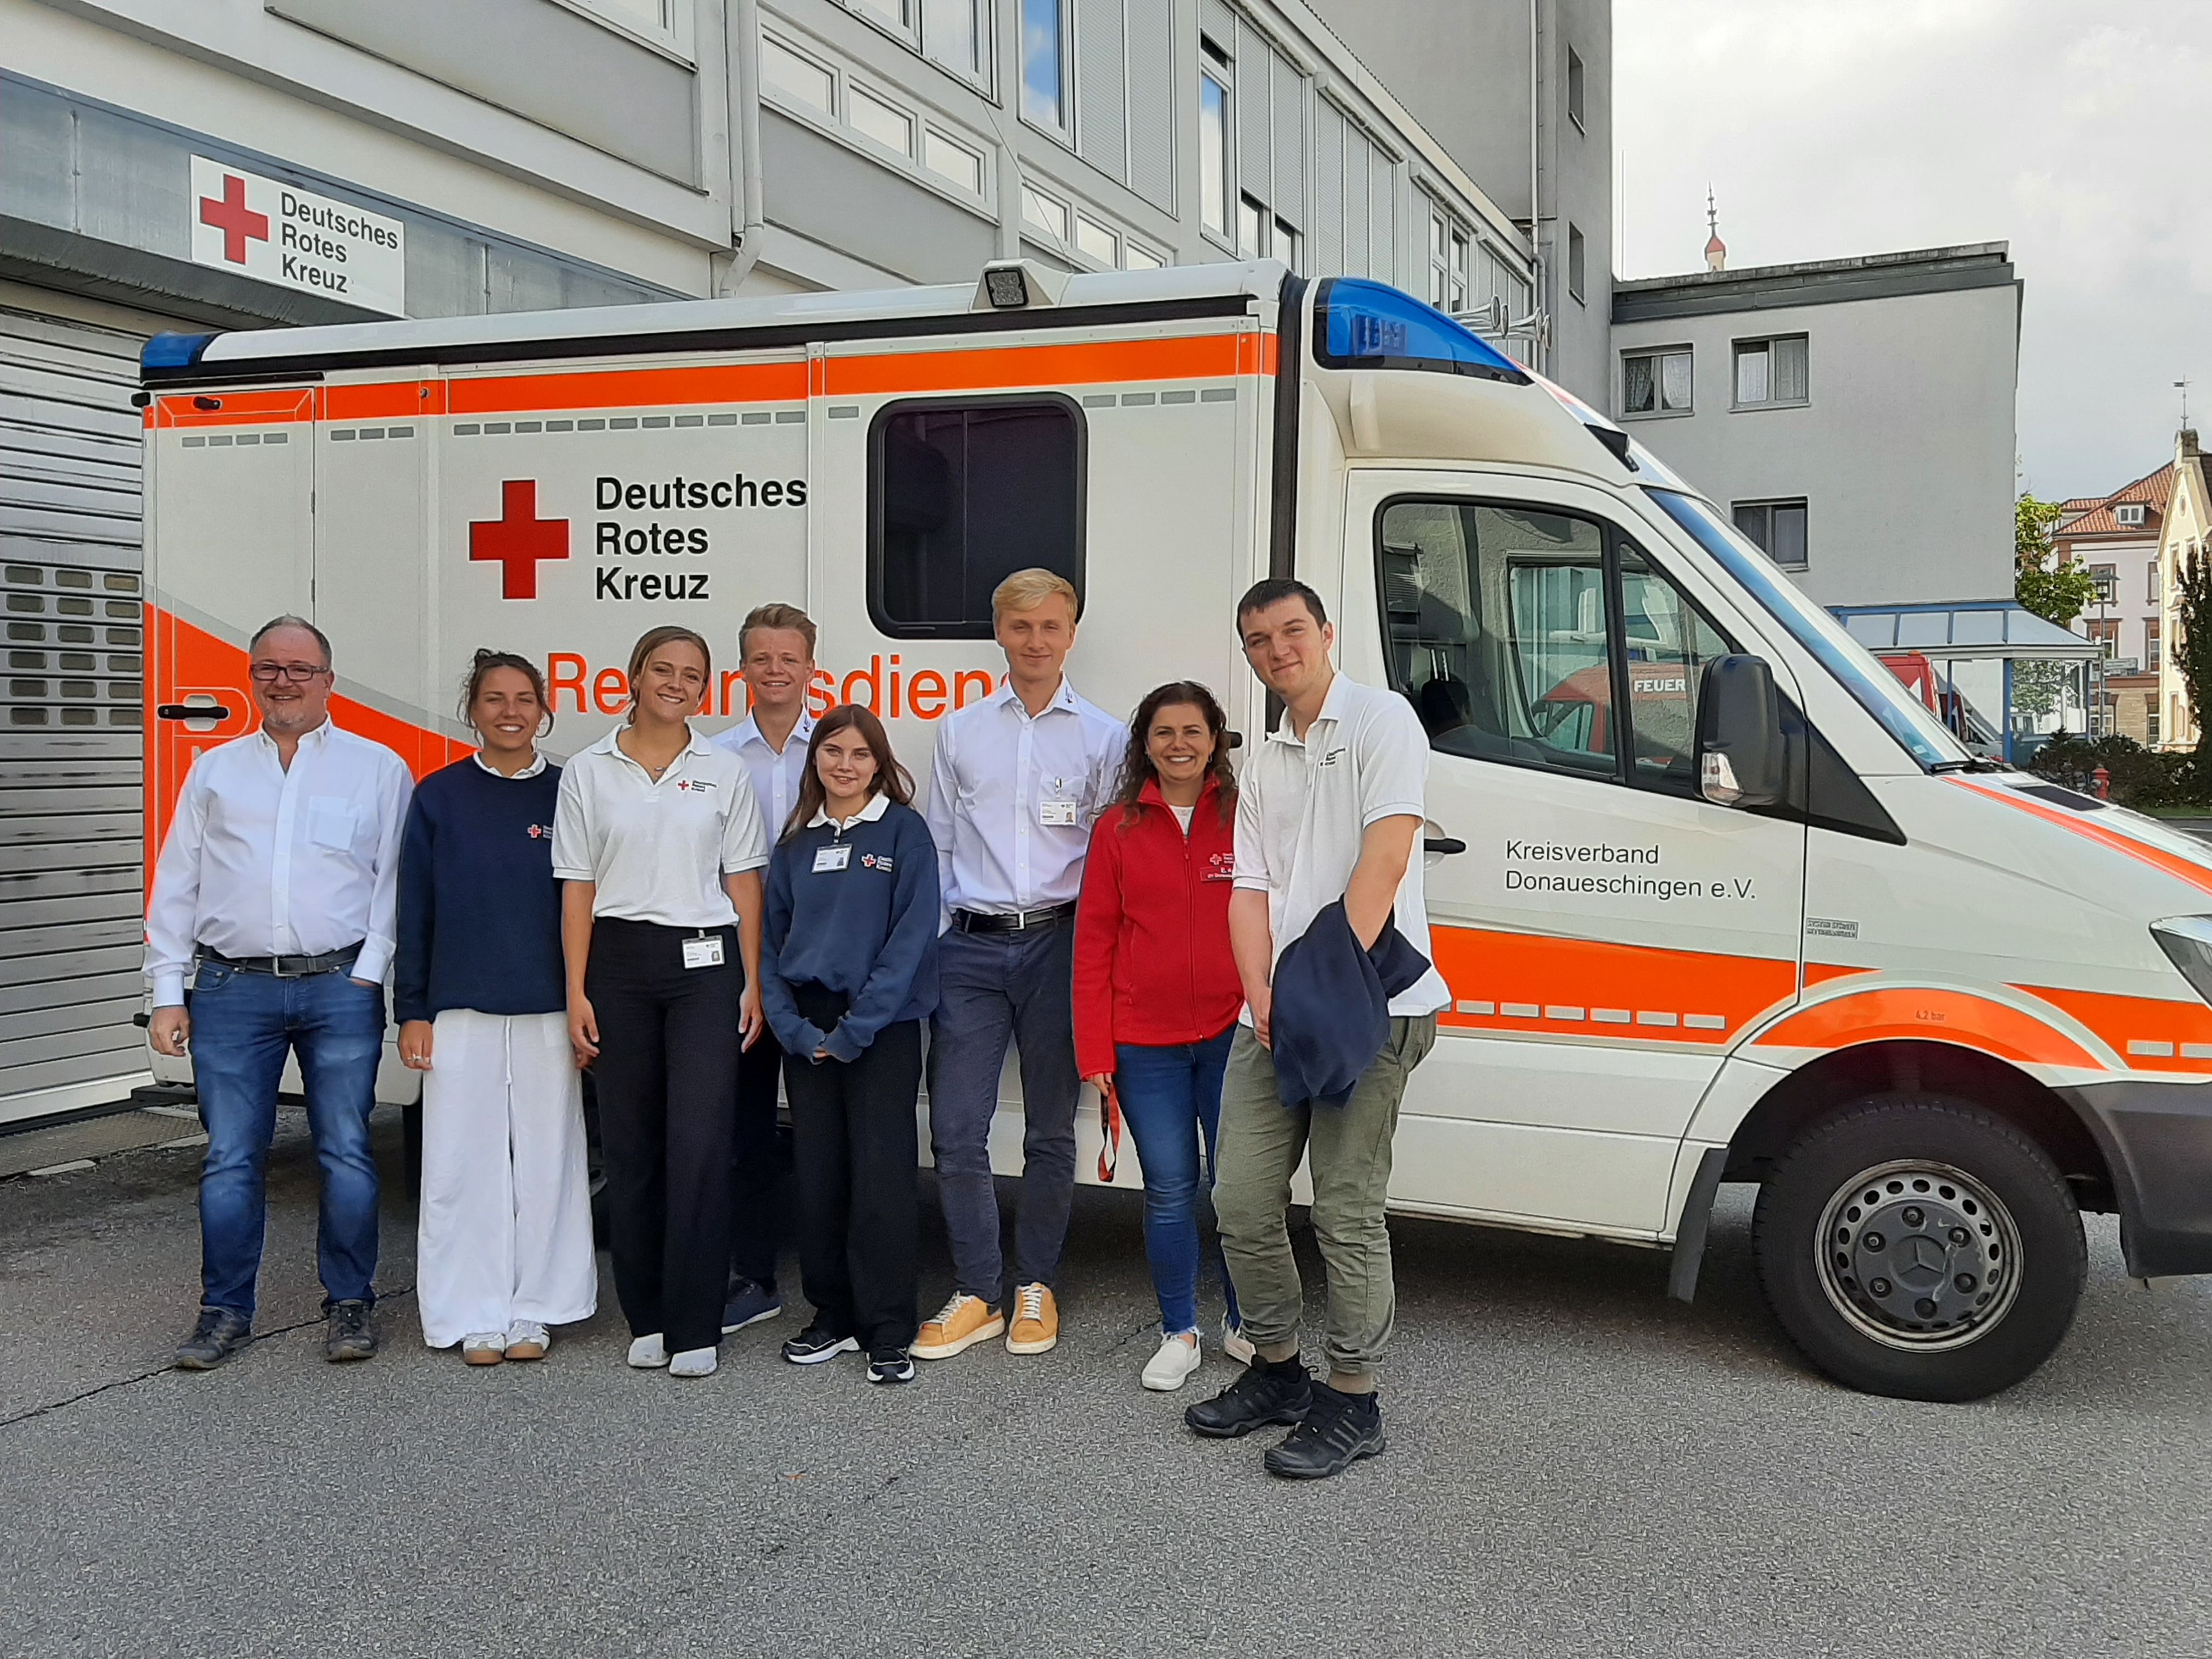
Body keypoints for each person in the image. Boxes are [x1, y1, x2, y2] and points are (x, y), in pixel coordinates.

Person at [1184, 578, 1449, 1479]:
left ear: (1326, 634)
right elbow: (1249, 887)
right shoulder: (1261, 760)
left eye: (1292, 630)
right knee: (1243, 1201)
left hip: (1371, 1008)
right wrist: (1261, 993)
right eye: (1258, 640)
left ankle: (1353, 1397)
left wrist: (1321, 984)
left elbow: (1387, 853)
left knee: (1344, 1210)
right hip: (1279, 1014)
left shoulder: (1383, 723)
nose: (1277, 649)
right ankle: (1278, 1371)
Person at [147, 615, 413, 1369]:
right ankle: (223, 1312)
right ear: (253, 676)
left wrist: (372, 970)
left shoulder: (377, 768)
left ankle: (351, 1304)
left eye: (302, 668)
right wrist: (170, 990)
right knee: (231, 1157)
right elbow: (177, 883)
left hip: (339, 987)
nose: (286, 681)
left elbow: (395, 882)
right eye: (271, 668)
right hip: (231, 990)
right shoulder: (216, 770)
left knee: (347, 1152)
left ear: (329, 680)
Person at [916, 568, 1124, 1361]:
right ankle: (978, 1292)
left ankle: (1035, 1284)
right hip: (967, 948)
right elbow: (938, 842)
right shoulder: (961, 730)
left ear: (1071, 636)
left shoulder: (1103, 737)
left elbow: (1107, 860)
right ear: (999, 633)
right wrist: (942, 938)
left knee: (1049, 1130)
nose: (1035, 641)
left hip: (1058, 949)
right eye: (1020, 627)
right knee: (958, 1129)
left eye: (1050, 628)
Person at [552, 625, 768, 1380]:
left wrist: (754, 983)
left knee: (700, 1145)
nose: (676, 683)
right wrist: (576, 989)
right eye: (663, 670)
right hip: (617, 966)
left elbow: (744, 882)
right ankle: (647, 1316)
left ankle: (696, 1322)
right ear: (635, 678)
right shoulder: (588, 770)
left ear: (705, 689)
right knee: (634, 1148)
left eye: (692, 674)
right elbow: (577, 886)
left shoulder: (724, 769)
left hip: (705, 970)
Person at [395, 650, 596, 1366]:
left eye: (523, 699)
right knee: (459, 1164)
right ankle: (470, 1312)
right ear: (472, 710)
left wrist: (584, 1006)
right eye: (493, 699)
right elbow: (413, 909)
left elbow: (592, 908)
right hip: (459, 1011)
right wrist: (411, 1009)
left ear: (545, 710)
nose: (510, 712)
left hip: (548, 1009)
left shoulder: (572, 791)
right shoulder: (439, 796)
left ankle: (537, 1309)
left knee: (549, 1160)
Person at [1074, 682, 1252, 1392]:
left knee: (1239, 1189)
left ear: (1215, 740)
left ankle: (1250, 1325)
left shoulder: (1245, 816)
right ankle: (1178, 1330)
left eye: (1193, 732)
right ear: (1144, 745)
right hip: (1143, 1042)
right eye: (1163, 733)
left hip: (1233, 1035)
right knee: (1173, 1189)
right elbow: (1093, 945)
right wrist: (1095, 1051)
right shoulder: (1116, 828)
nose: (1179, 745)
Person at [760, 704, 940, 1385]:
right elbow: (771, 948)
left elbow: (911, 937)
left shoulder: (902, 833)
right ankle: (831, 1316)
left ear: (879, 763)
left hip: (880, 1026)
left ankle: (887, 1329)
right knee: (820, 1176)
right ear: (816, 761)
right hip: (807, 1030)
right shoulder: (797, 844)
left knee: (882, 1179)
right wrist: (795, 1030)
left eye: (860, 754)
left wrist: (858, 1029)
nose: (845, 765)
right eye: (833, 752)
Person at [709, 603, 819, 1338]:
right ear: (741, 668)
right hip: (740, 965)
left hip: (820, 968)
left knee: (820, 1131)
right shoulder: (715, 758)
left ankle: (831, 1281)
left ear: (812, 666)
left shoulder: (841, 748)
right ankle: (754, 1276)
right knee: (744, 1128)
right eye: (761, 658)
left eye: (789, 658)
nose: (775, 670)